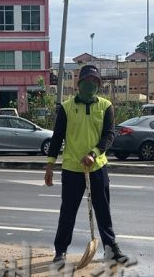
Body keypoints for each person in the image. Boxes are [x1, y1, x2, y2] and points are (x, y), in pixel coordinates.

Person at [44, 64, 126, 263]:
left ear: (98, 84)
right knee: (68, 211)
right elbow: (57, 137)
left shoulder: (105, 106)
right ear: (79, 83)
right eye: (87, 80)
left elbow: (109, 135)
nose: (91, 84)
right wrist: (50, 164)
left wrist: (94, 153)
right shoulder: (66, 107)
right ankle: (60, 251)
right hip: (72, 168)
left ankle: (111, 248)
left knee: (103, 209)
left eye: (95, 81)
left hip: (97, 166)